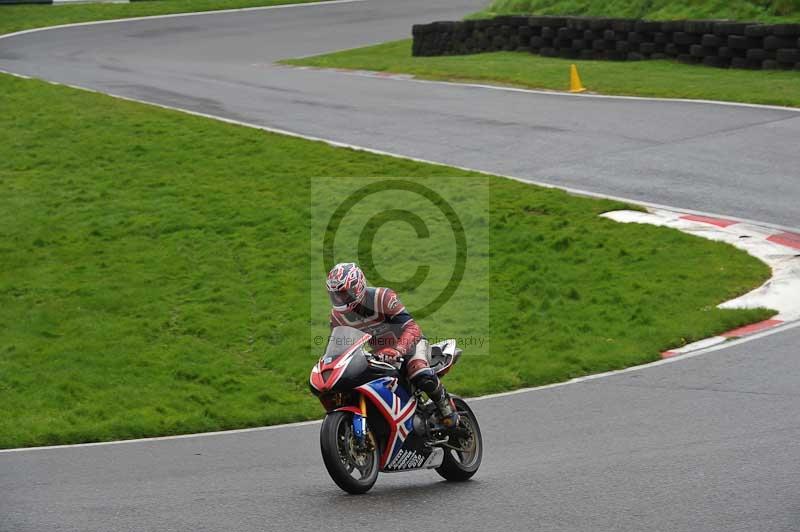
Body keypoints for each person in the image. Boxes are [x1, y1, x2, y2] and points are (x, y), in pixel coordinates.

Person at [326, 262, 459, 427]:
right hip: (380, 354)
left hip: (409, 345)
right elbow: (340, 345)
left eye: (344, 293)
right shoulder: (337, 317)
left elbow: (413, 327)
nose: (339, 298)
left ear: (357, 287)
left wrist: (398, 349)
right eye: (335, 294)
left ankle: (447, 409)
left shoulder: (382, 298)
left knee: (419, 372)